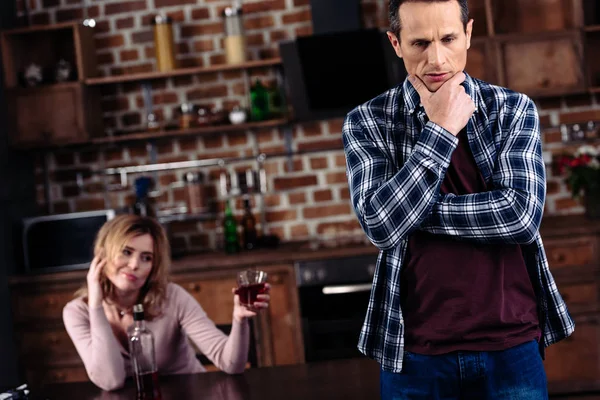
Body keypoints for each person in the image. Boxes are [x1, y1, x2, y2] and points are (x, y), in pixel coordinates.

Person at [342, 0, 575, 398]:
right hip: (414, 355)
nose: (436, 58)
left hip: (511, 347)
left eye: (448, 38)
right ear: (396, 43)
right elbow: (381, 226)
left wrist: (412, 212)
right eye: (419, 43)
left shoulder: (511, 110)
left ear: (468, 32)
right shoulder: (368, 120)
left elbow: (519, 216)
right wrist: (441, 129)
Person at [63, 214, 270, 391]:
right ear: (103, 254)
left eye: (146, 258)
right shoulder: (77, 312)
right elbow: (111, 381)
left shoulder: (173, 297)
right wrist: (96, 305)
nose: (135, 265)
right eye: (126, 252)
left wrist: (239, 320)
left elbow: (230, 364)